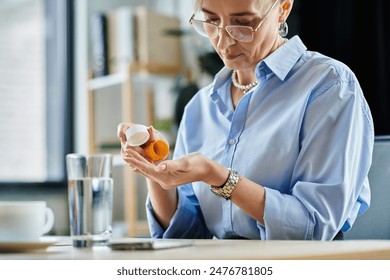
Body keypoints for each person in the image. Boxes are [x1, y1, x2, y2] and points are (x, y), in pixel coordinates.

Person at [117, 0, 374, 240]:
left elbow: (313, 227)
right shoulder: (199, 107)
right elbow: (188, 235)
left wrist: (218, 176)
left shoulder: (329, 86)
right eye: (211, 20)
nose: (224, 41)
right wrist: (155, 169)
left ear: (283, 8)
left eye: (243, 23)